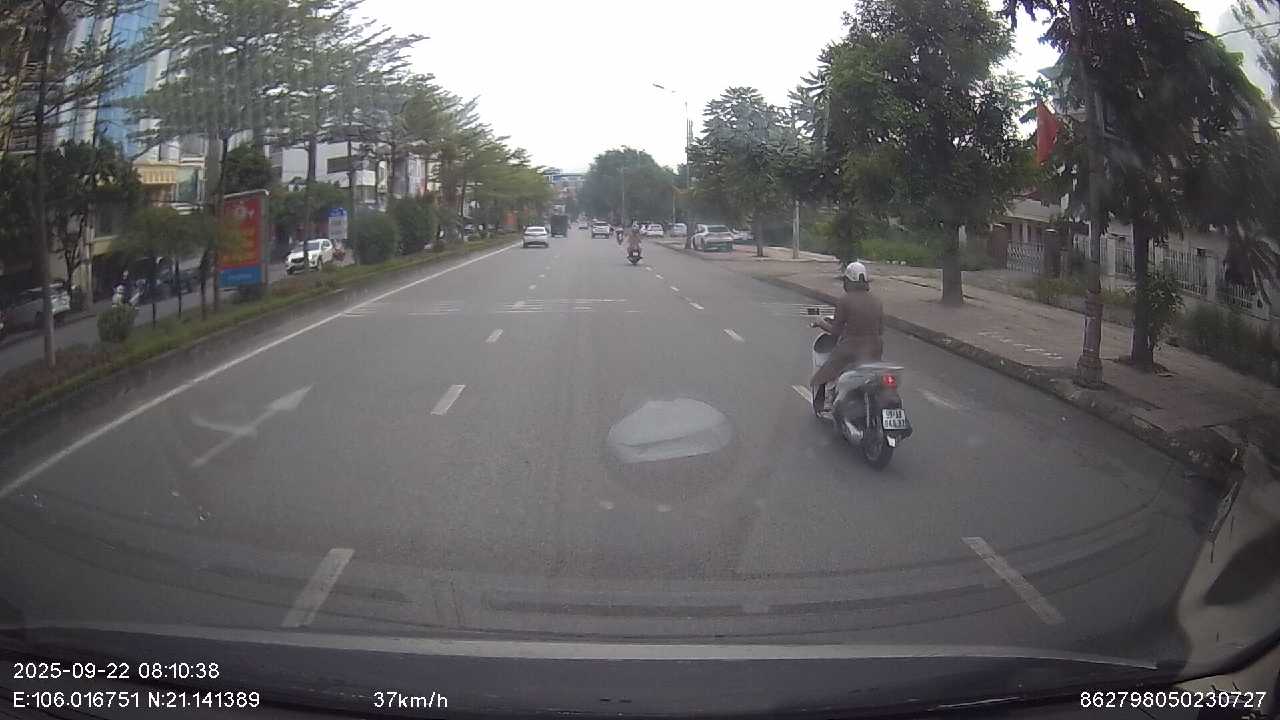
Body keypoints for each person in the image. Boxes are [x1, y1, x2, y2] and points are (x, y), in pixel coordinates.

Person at [810, 261, 884, 410]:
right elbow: (880, 329)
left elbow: (836, 331)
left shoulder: (845, 300)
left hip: (850, 350)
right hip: (875, 350)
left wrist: (821, 323)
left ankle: (828, 401)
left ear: (849, 281)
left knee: (824, 373)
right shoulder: (877, 301)